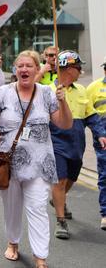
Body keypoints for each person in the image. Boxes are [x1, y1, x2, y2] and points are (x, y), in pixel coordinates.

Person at [0, 50, 72, 268]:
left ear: (37, 69)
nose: (24, 69)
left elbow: (65, 124)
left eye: (29, 66)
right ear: (15, 70)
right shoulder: (3, 92)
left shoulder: (48, 93)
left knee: (37, 207)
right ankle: (13, 242)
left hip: (40, 163)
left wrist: (63, 102)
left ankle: (40, 256)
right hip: (8, 163)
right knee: (12, 206)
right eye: (20, 66)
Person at [48, 51, 106, 239]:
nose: (81, 71)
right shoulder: (49, 90)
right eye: (78, 68)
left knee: (71, 177)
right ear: (67, 68)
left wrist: (101, 133)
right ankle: (61, 221)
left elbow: (91, 115)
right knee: (60, 179)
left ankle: (59, 199)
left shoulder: (81, 90)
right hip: (56, 140)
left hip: (76, 143)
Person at [86, 56, 106, 230]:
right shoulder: (93, 88)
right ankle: (105, 214)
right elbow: (88, 114)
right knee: (105, 175)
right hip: (103, 136)